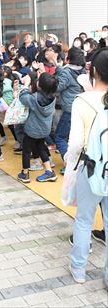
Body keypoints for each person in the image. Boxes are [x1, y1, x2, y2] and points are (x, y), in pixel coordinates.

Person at [64, 48, 108, 286]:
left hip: (89, 168)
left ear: (96, 72)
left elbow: (75, 143)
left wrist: (70, 163)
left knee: (83, 220)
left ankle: (79, 269)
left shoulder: (81, 101)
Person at [47, 46, 86, 164]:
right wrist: (55, 63)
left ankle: (69, 163)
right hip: (81, 107)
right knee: (73, 137)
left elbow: (58, 87)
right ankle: (76, 160)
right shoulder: (82, 70)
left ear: (68, 59)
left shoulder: (67, 72)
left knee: (59, 137)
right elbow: (64, 73)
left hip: (70, 109)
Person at [17, 72, 58, 183]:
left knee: (26, 150)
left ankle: (24, 174)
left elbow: (23, 97)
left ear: (41, 85)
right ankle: (49, 172)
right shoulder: (53, 97)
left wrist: (26, 84)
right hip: (45, 130)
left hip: (32, 131)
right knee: (41, 147)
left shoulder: (35, 98)